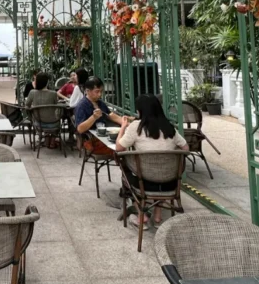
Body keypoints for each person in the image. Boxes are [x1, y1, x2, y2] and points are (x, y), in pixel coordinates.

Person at [115, 95, 189, 226]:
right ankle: (158, 215)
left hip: (144, 183)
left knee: (125, 170)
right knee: (159, 170)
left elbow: (119, 148)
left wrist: (123, 127)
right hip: (170, 183)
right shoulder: (169, 127)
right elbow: (186, 148)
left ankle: (141, 216)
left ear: (140, 111)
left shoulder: (136, 127)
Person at [74, 76, 126, 145]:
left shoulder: (100, 103)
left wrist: (125, 122)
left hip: (104, 135)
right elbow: (80, 129)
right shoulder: (81, 106)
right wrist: (93, 117)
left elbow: (110, 115)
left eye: (101, 91)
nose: (100, 94)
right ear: (87, 91)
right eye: (97, 91)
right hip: (90, 139)